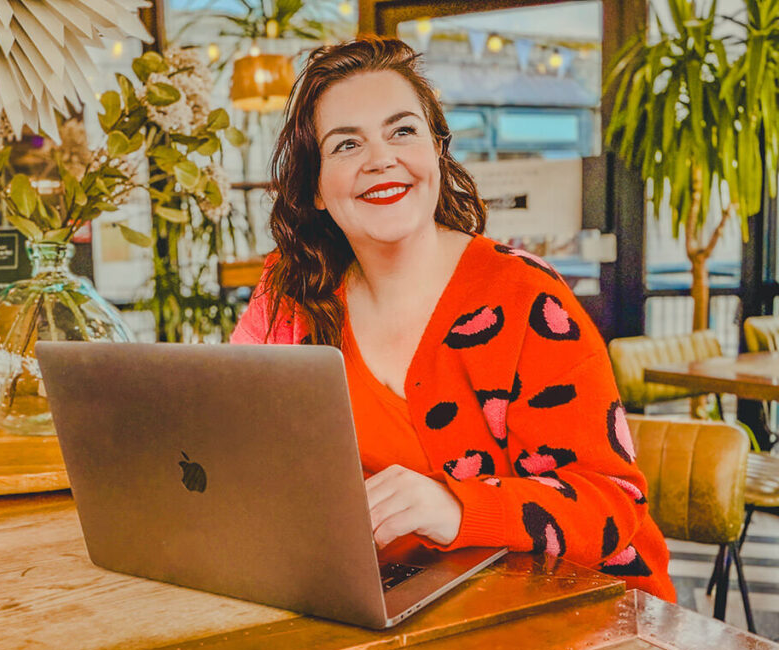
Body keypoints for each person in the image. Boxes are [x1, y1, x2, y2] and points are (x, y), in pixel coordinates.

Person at [230, 37, 676, 601]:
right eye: (346, 145)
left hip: (580, 613)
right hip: (392, 607)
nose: (380, 159)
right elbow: (240, 452)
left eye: (402, 131)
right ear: (315, 188)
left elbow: (611, 502)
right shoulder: (290, 295)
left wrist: (456, 507)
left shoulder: (526, 297)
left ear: (437, 150)